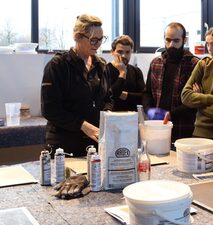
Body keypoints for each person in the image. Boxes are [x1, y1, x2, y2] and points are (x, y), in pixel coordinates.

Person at [41, 14, 112, 157]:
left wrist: (107, 116)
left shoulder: (101, 65)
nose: (98, 44)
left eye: (101, 39)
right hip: (64, 145)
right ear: (77, 36)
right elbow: (50, 109)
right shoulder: (58, 66)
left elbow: (108, 99)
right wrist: (82, 125)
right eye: (93, 40)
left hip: (94, 144)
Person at [142, 22, 199, 142]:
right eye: (168, 40)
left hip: (184, 128)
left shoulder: (195, 65)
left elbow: (195, 101)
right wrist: (149, 110)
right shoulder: (156, 63)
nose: (171, 44)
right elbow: (147, 92)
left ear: (184, 40)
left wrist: (171, 114)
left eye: (176, 40)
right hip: (158, 127)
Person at [105, 35, 145, 111]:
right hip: (111, 116)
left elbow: (143, 97)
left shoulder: (136, 71)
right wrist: (122, 73)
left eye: (127, 52)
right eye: (120, 52)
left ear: (131, 52)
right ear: (112, 52)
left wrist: (124, 95)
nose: (124, 55)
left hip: (132, 117)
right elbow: (108, 96)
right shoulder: (105, 70)